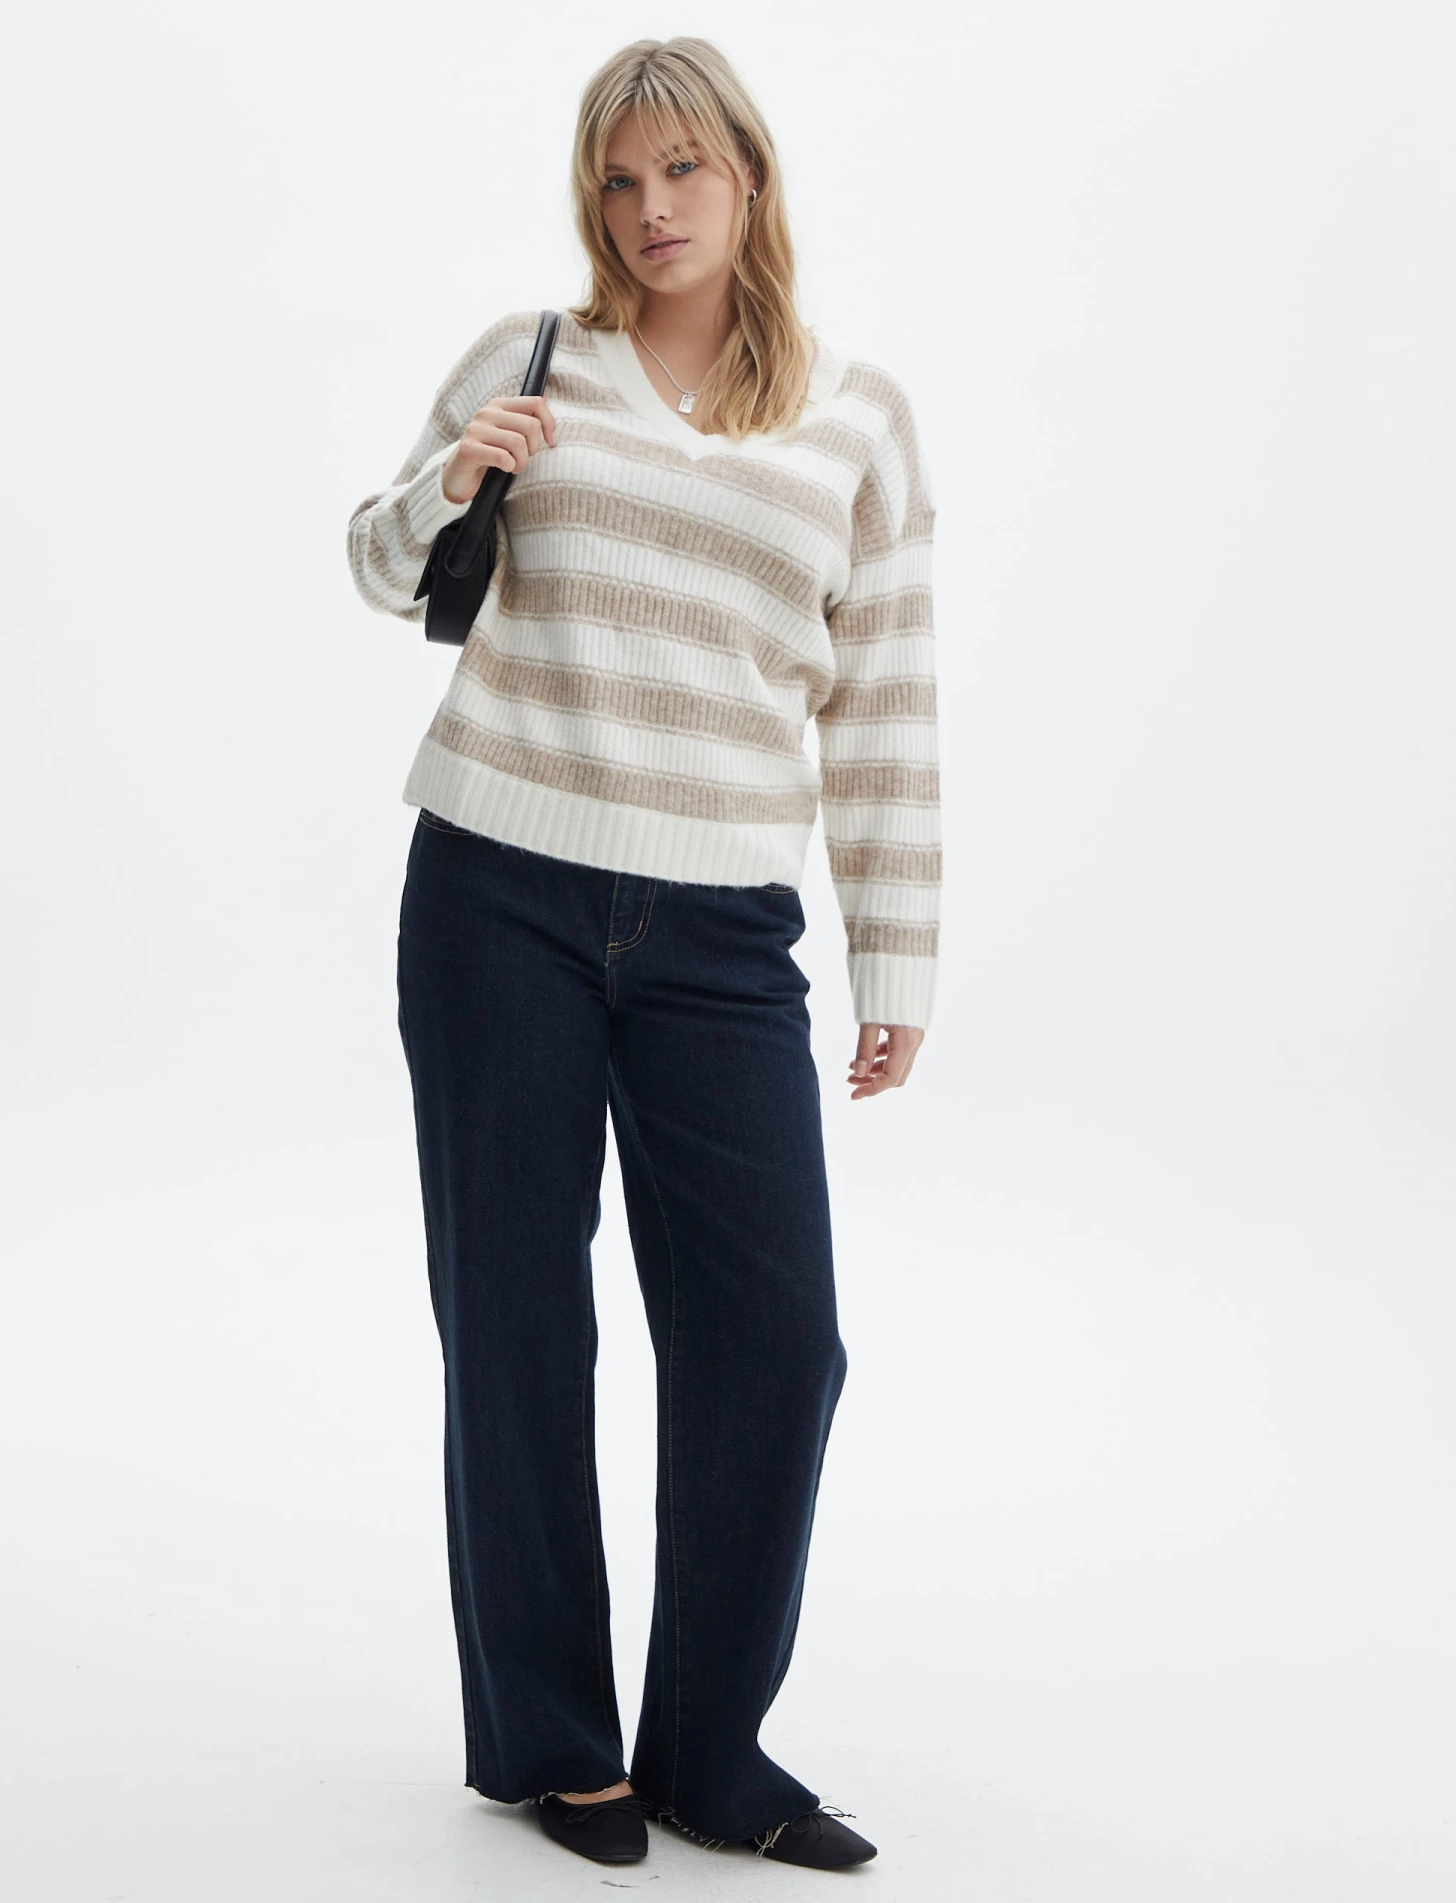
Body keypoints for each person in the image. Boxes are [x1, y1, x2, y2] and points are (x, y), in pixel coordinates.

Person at [345, 34, 939, 1874]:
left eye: (683, 170)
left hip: (722, 933)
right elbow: (378, 565)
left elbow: (884, 696)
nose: (651, 208)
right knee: (518, 1328)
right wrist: (455, 479)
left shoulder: (857, 416)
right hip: (497, 894)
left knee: (778, 1344)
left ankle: (704, 1746)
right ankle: (552, 1738)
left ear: (748, 177)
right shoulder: (531, 359)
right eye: (618, 180)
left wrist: (897, 953)